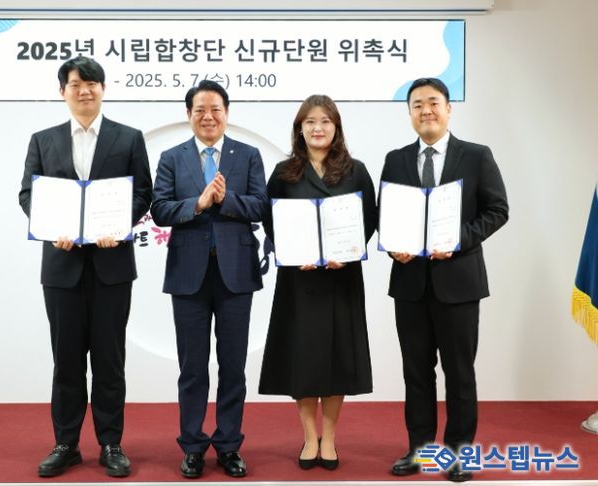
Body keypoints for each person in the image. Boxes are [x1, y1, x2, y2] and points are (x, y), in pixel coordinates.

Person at [18, 56, 152, 478]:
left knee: (110, 361)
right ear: (63, 91)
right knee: (67, 361)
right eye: (76, 83)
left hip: (112, 267)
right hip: (62, 268)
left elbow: (143, 193)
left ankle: (111, 444)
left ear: (103, 89)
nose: (85, 90)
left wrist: (118, 224)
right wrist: (50, 226)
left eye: (92, 83)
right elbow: (28, 195)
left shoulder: (128, 138)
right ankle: (66, 443)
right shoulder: (43, 140)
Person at [380, 77, 508, 483]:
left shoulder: (476, 156)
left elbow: (497, 210)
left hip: (459, 283)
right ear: (410, 113)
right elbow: (386, 215)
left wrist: (458, 240)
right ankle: (420, 450)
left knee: (459, 372)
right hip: (410, 284)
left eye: (433, 102)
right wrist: (393, 245)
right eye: (417, 104)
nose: (426, 110)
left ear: (449, 109)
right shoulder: (396, 159)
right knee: (416, 373)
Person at [150, 80, 267, 479]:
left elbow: (261, 205)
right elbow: (160, 209)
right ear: (188, 114)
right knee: (193, 368)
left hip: (236, 273)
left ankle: (229, 445)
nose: (208, 116)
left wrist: (225, 199)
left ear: (226, 113)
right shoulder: (172, 157)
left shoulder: (247, 155)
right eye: (200, 109)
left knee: (233, 366)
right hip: (189, 275)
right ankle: (193, 446)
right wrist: (197, 203)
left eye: (215, 109)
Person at [258, 95, 377, 471]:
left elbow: (369, 219)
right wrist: (293, 252)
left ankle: (330, 437)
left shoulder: (355, 171)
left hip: (341, 278)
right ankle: (310, 437)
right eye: (309, 121)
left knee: (338, 359)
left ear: (336, 127)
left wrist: (350, 251)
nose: (317, 128)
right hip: (300, 280)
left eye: (325, 120)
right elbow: (270, 220)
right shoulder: (284, 172)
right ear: (300, 129)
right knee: (303, 359)